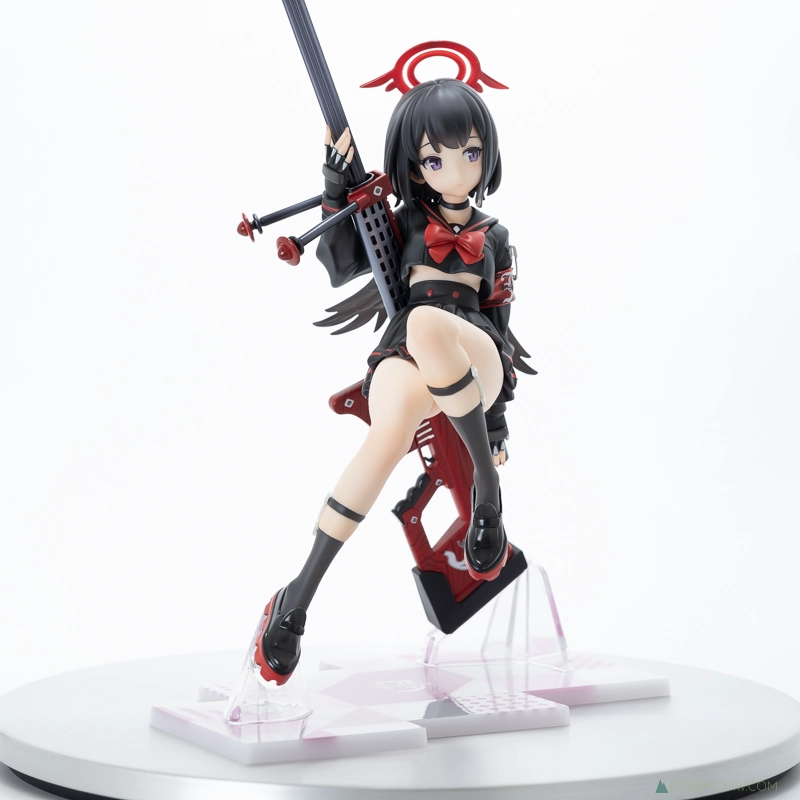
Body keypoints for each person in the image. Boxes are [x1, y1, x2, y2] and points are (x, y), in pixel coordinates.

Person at [254, 78, 532, 686]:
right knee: (384, 438)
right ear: (414, 163)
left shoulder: (496, 238)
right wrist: (336, 184)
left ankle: (486, 491)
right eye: (435, 158)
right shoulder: (404, 222)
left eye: (470, 152)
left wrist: (497, 422)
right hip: (406, 355)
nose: (455, 169)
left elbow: (502, 325)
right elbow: (339, 264)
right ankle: (296, 598)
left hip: (475, 352)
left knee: (433, 321)